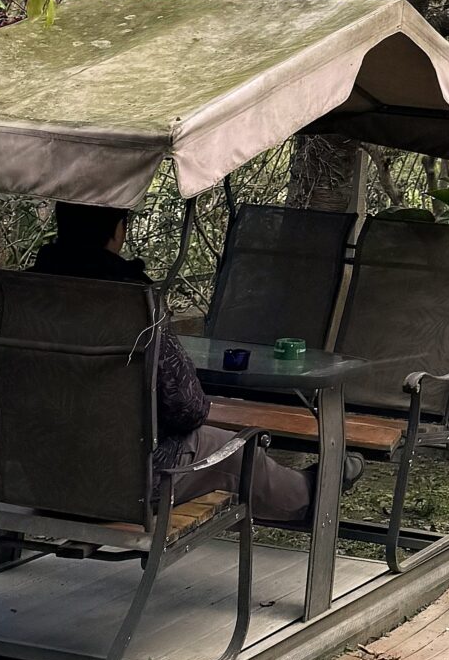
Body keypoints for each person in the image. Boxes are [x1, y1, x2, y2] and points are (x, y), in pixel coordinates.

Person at [34, 203, 329, 527]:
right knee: (233, 451)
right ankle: (311, 494)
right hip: (124, 483)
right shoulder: (134, 302)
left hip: (34, 477)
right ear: (118, 230)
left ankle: (309, 486)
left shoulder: (20, 297)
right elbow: (187, 407)